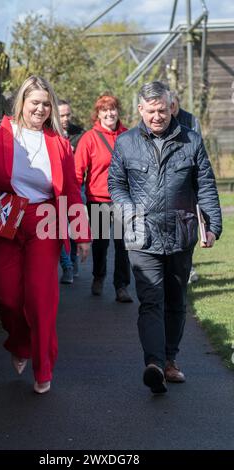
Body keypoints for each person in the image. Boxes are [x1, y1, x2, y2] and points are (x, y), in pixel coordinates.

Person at [0, 75, 91, 394]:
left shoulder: (60, 144)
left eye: (46, 104)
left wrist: (82, 233)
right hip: (4, 218)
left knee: (41, 298)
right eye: (35, 102)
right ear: (21, 102)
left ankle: (43, 367)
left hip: (44, 219)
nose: (41, 109)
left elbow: (73, 191)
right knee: (8, 297)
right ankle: (19, 343)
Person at [108, 81, 222, 394]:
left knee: (175, 301)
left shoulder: (191, 141)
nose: (157, 116)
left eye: (162, 110)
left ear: (170, 107)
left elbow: (206, 187)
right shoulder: (126, 143)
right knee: (150, 300)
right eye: (150, 111)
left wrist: (212, 226)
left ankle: (171, 361)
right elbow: (116, 185)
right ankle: (154, 364)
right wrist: (130, 211)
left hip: (181, 233)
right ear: (140, 111)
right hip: (141, 236)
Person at [75, 94, 132, 303]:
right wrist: (74, 198)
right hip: (98, 200)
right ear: (98, 114)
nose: (109, 113)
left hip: (123, 199)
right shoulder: (89, 138)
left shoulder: (129, 135)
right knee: (100, 244)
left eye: (113, 109)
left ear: (118, 111)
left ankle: (122, 286)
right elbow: (78, 171)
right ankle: (98, 277)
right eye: (104, 110)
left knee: (123, 244)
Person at [170, 89, 201, 283]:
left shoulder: (190, 120)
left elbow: (198, 147)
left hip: (187, 180)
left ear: (177, 104)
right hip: (168, 182)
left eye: (172, 105)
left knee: (188, 225)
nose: (169, 110)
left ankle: (188, 267)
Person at [58, 99, 85, 284]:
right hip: (57, 187)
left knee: (75, 227)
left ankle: (73, 261)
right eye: (61, 115)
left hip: (76, 186)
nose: (66, 118)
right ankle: (66, 266)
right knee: (59, 229)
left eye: (68, 115)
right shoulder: (49, 133)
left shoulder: (80, 134)